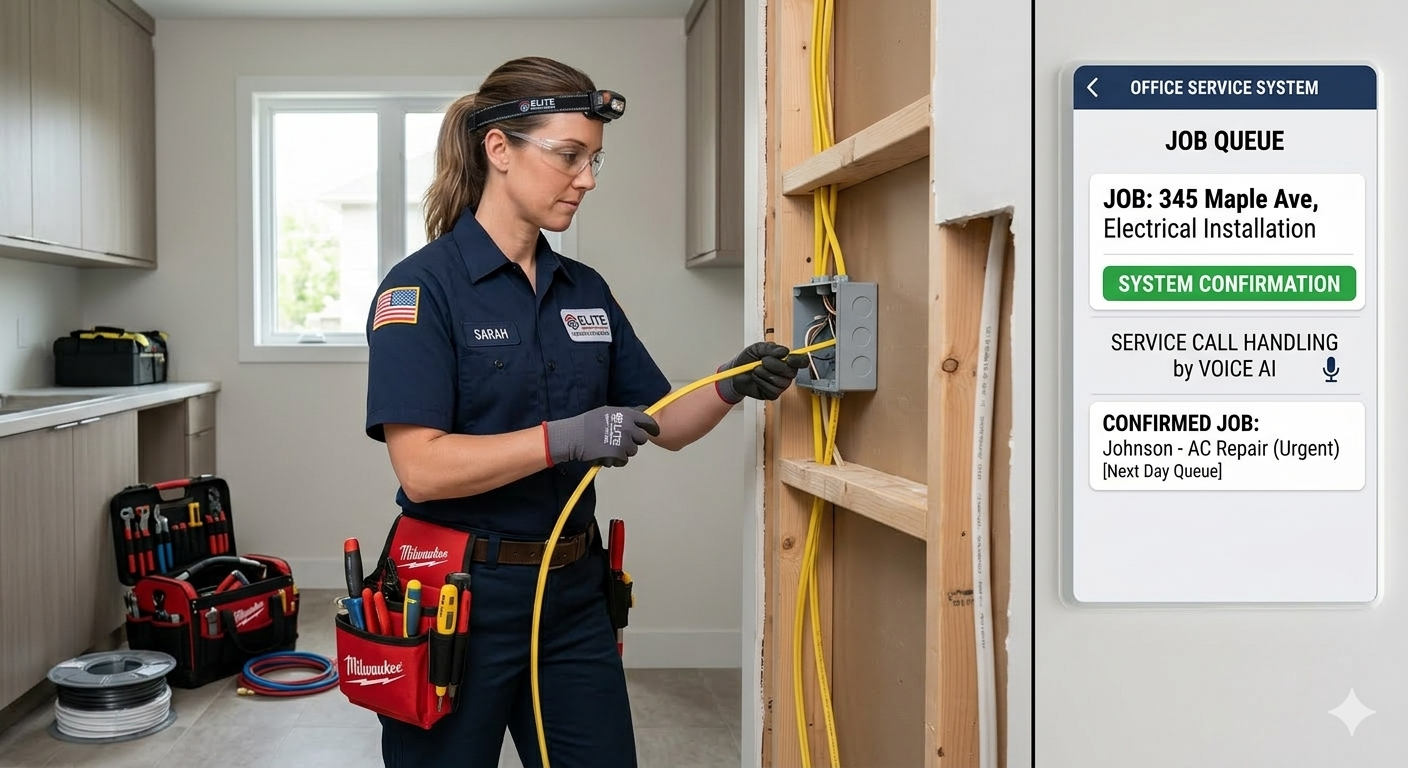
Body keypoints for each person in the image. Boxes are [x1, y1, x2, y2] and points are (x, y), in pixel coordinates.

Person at [364, 56, 806, 768]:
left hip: (571, 596)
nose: (588, 179)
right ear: (499, 150)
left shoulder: (584, 291)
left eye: (595, 160)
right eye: (570, 156)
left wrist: (731, 383)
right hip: (457, 598)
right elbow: (422, 471)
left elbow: (665, 423)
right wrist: (564, 438)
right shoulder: (421, 291)